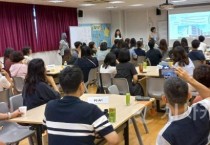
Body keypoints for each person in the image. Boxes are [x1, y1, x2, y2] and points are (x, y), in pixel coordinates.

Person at [43, 66, 119, 145]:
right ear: (81, 85)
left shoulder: (49, 107)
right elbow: (114, 140)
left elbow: (49, 133)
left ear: (61, 86)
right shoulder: (91, 110)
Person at [157, 68, 210, 145]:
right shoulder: (204, 109)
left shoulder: (165, 135)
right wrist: (189, 79)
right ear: (189, 95)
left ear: (165, 99)